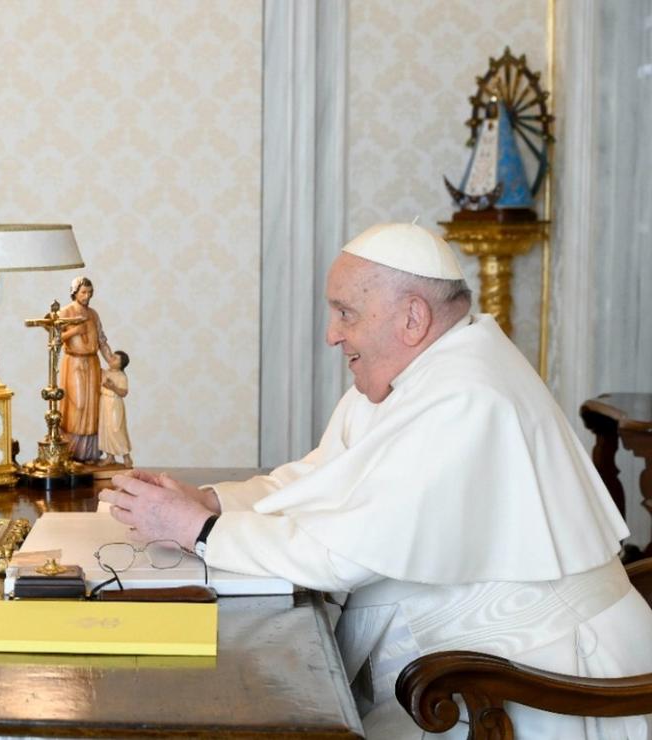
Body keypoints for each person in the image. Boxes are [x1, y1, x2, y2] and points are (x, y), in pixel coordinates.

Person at [100, 223, 652, 738]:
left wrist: (200, 529)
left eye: (345, 313)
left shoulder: (466, 395)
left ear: (412, 318)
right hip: (475, 663)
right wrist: (210, 499)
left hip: (542, 679)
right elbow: (319, 480)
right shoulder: (416, 374)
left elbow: (345, 554)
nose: (331, 335)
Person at [59, 276, 114, 462]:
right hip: (74, 362)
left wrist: (112, 361)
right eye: (83, 292)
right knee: (78, 404)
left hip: (92, 363)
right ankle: (72, 451)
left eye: (90, 292)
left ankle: (89, 453)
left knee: (93, 406)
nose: (87, 296)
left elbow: (102, 340)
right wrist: (75, 330)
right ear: (74, 292)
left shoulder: (93, 314)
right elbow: (55, 339)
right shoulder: (66, 312)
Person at [98, 349, 132, 467]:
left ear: (121, 364)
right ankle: (109, 457)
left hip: (115, 403)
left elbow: (123, 393)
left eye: (116, 358)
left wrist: (113, 387)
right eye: (112, 356)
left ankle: (126, 456)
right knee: (105, 429)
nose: (112, 358)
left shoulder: (122, 376)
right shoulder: (105, 372)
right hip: (104, 402)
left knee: (116, 429)